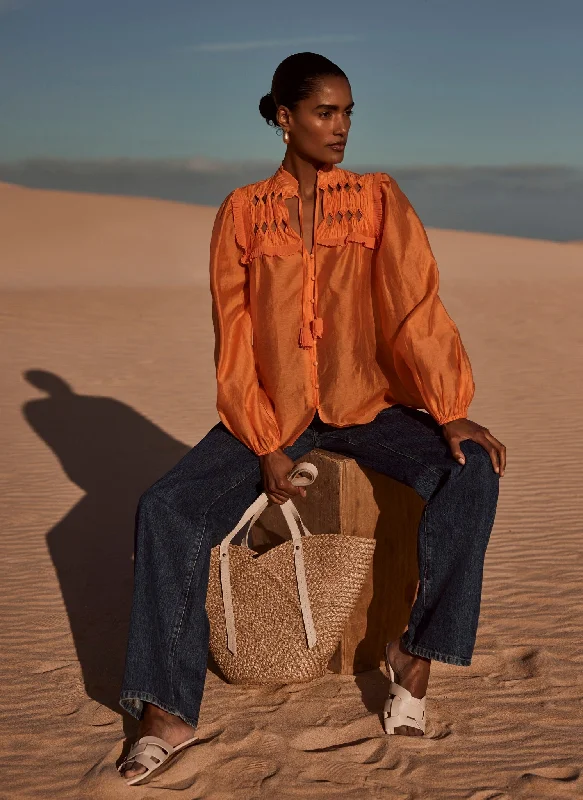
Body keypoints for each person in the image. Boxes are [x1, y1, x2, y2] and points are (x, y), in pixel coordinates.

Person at [117, 52, 505, 785]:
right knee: (166, 507)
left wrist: (450, 409)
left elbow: (415, 303)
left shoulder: (376, 198)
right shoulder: (242, 211)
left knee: (473, 469)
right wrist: (265, 442)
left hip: (366, 405)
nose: (341, 127)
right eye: (326, 112)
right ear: (285, 119)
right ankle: (168, 711)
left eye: (349, 112)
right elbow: (232, 336)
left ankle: (413, 659)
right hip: (274, 410)